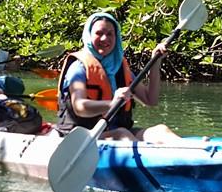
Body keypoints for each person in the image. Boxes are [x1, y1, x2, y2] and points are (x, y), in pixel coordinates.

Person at [56, 12, 181, 142]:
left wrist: (156, 62)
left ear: (116, 37)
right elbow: (79, 107)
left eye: (110, 34)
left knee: (161, 130)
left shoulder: (119, 67)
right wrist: (112, 104)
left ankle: (197, 152)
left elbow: (150, 100)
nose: (105, 38)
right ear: (89, 36)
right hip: (82, 135)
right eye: (99, 33)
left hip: (116, 131)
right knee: (122, 134)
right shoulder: (78, 68)